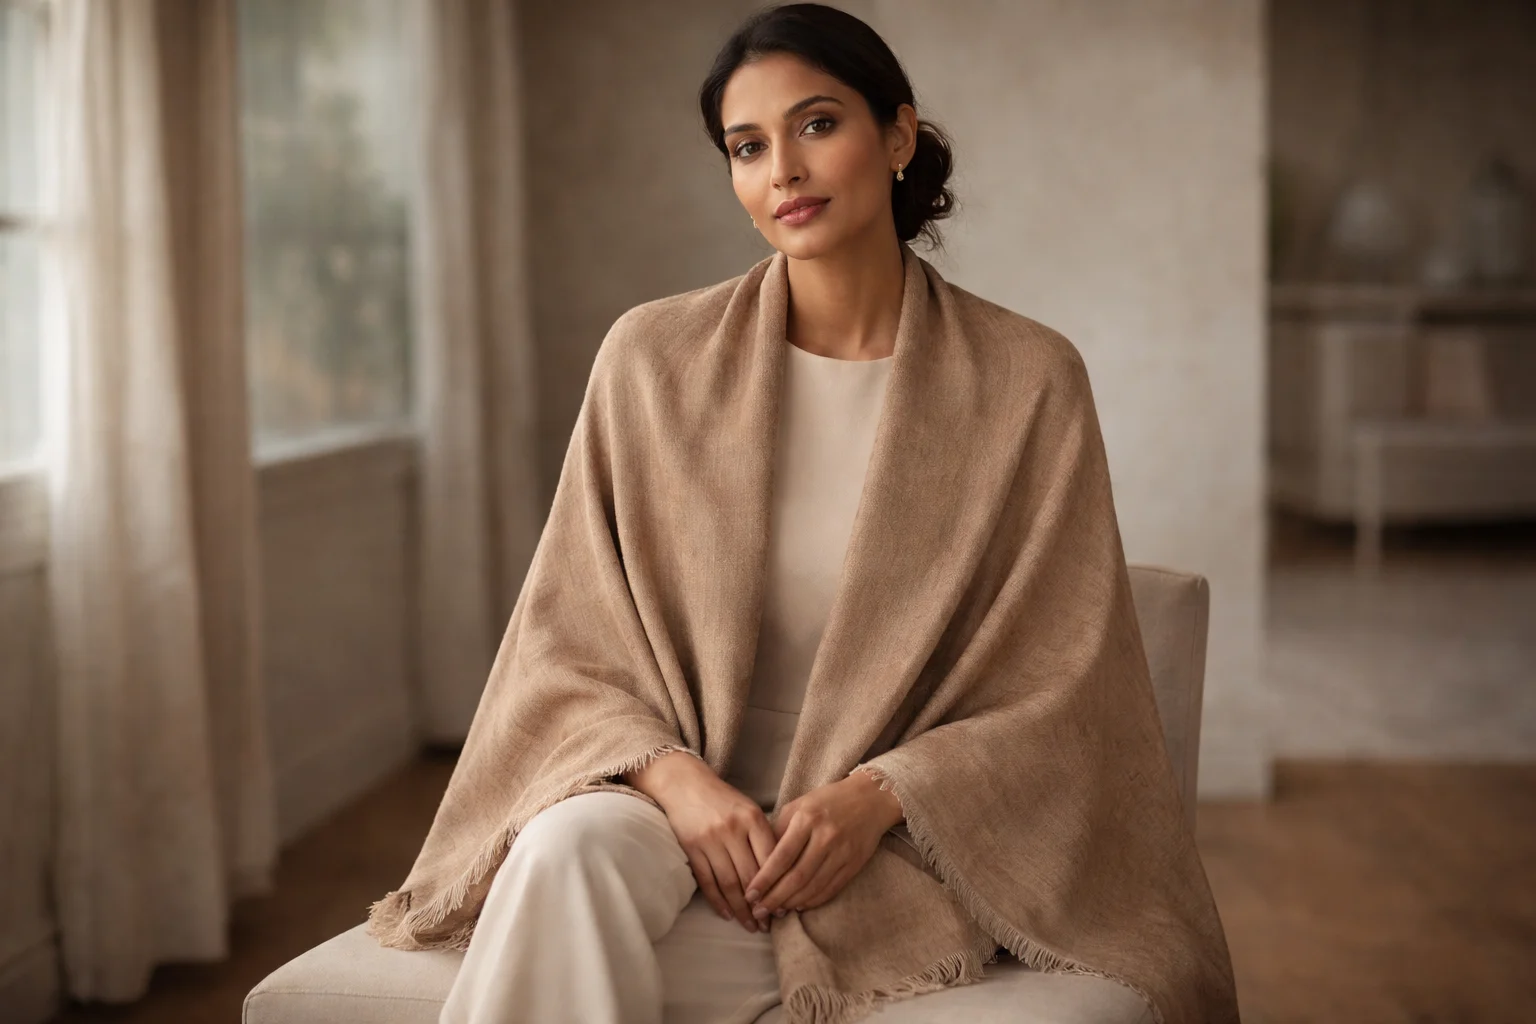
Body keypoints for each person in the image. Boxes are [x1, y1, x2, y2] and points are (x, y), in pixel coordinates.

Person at [370, 5, 1241, 1024]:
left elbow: (1067, 681)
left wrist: (880, 794)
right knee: (560, 853)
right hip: (666, 800)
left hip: (898, 838)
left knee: (596, 951)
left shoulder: (1028, 381)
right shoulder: (651, 361)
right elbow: (565, 641)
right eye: (748, 146)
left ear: (898, 136)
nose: (782, 167)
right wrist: (678, 783)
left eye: (817, 124)